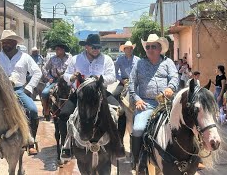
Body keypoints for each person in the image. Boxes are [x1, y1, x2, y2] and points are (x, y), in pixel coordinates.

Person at [60, 34, 123, 159]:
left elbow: (112, 77)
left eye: (98, 47)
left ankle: (118, 144)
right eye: (93, 47)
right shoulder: (76, 59)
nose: (96, 49)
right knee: (63, 115)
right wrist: (71, 77)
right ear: (86, 47)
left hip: (100, 93)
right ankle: (66, 146)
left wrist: (101, 78)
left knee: (121, 113)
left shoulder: (107, 59)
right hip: (80, 93)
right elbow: (66, 74)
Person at [129, 34, 179, 173]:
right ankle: (137, 159)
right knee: (138, 129)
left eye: (153, 46)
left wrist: (171, 88)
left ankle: (193, 157)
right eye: (148, 47)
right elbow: (132, 84)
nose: (150, 49)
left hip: (167, 103)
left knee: (186, 123)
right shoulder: (139, 64)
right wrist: (137, 99)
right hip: (147, 103)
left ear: (160, 48)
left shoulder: (168, 62)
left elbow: (175, 77)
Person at [112, 40, 139, 142]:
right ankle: (117, 111)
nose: (129, 49)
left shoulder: (137, 60)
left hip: (135, 82)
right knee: (114, 94)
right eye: (127, 48)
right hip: (123, 82)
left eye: (130, 48)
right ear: (124, 50)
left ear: (132, 49)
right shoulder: (119, 60)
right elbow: (115, 73)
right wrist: (121, 80)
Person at [41, 43, 71, 121]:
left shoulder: (70, 58)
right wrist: (49, 77)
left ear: (63, 50)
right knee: (45, 93)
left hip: (67, 81)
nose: (56, 51)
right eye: (56, 49)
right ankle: (46, 112)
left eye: (58, 49)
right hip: (55, 80)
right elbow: (44, 68)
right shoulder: (52, 59)